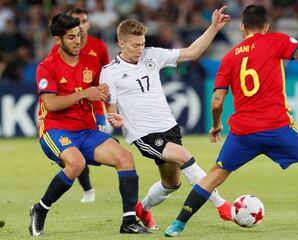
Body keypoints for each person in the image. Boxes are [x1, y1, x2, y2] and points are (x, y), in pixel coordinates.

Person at [164, 5, 298, 237]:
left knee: (214, 176)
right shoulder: (276, 40)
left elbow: (217, 100)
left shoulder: (229, 57)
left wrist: (216, 124)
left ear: (241, 27)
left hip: (242, 134)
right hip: (277, 127)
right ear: (266, 26)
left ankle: (178, 224)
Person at [100, 7, 232, 230]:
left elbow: (191, 52)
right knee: (185, 157)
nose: (140, 49)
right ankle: (222, 205)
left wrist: (213, 28)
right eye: (135, 45)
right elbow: (111, 109)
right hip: (144, 134)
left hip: (169, 127)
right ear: (121, 43)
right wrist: (115, 119)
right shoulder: (110, 72)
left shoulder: (152, 54)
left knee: (172, 183)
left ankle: (143, 208)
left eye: (142, 43)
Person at [29, 13, 150, 236]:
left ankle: (129, 222)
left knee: (125, 158)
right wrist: (86, 93)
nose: (77, 41)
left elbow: (101, 92)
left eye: (79, 35)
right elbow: (51, 103)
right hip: (54, 129)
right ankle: (40, 209)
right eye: (71, 37)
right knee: (76, 163)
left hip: (86, 130)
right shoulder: (46, 67)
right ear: (58, 40)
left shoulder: (92, 62)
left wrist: (104, 97)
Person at [50, 8, 111, 203]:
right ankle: (88, 189)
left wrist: (110, 106)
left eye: (84, 21)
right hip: (70, 115)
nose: (82, 26)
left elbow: (107, 74)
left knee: (91, 154)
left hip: (96, 110)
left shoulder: (98, 46)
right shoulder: (57, 53)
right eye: (78, 22)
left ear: (88, 24)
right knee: (77, 156)